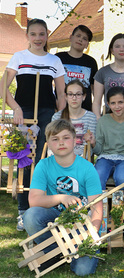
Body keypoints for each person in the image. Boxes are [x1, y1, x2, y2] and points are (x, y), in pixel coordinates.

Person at [0, 19, 66, 231]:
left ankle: (37, 207)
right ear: (27, 36)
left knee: (41, 160)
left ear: (47, 35)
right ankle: (22, 211)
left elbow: (61, 92)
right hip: (25, 113)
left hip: (46, 113)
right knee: (24, 160)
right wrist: (16, 108)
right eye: (34, 34)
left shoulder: (54, 60)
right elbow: (4, 87)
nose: (38, 38)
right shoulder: (19, 57)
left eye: (42, 34)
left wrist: (59, 113)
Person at [22, 119, 103, 275]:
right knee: (31, 215)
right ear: (49, 144)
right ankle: (57, 251)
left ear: (74, 141)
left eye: (66, 138)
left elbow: (97, 208)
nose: (61, 143)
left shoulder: (87, 168)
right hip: (56, 221)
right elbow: (34, 200)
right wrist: (61, 198)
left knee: (83, 270)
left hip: (82, 223)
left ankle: (67, 254)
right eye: (55, 139)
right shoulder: (43, 165)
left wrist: (90, 236)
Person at [88, 86, 124, 190]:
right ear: (108, 104)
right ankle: (100, 205)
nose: (117, 106)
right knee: (97, 177)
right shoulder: (103, 121)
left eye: (120, 102)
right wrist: (93, 142)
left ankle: (121, 206)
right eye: (113, 103)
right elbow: (99, 151)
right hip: (105, 157)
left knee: (122, 179)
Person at [56, 25, 98, 111]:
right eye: (78, 36)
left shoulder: (91, 62)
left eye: (85, 38)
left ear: (87, 44)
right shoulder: (58, 58)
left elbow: (95, 90)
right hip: (63, 109)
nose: (80, 39)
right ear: (71, 38)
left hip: (84, 110)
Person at [52, 79, 97, 156]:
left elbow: (93, 149)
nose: (74, 98)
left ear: (84, 97)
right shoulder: (57, 117)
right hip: (62, 158)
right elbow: (54, 142)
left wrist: (92, 141)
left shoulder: (91, 117)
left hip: (82, 160)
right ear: (66, 97)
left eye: (78, 94)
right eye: (70, 94)